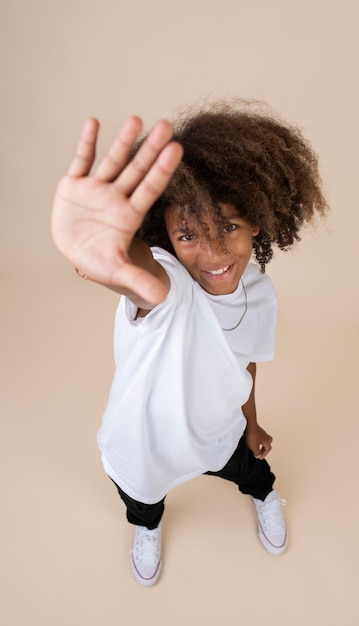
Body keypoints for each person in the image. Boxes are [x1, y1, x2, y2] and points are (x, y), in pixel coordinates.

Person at [51, 100, 327, 587]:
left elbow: (244, 362)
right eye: (188, 234)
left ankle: (263, 498)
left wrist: (253, 423)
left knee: (256, 473)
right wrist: (107, 251)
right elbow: (145, 281)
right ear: (165, 241)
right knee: (142, 501)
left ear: (257, 221)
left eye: (229, 227)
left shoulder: (259, 293)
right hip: (145, 441)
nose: (215, 251)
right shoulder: (169, 284)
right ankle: (147, 528)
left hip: (219, 430)